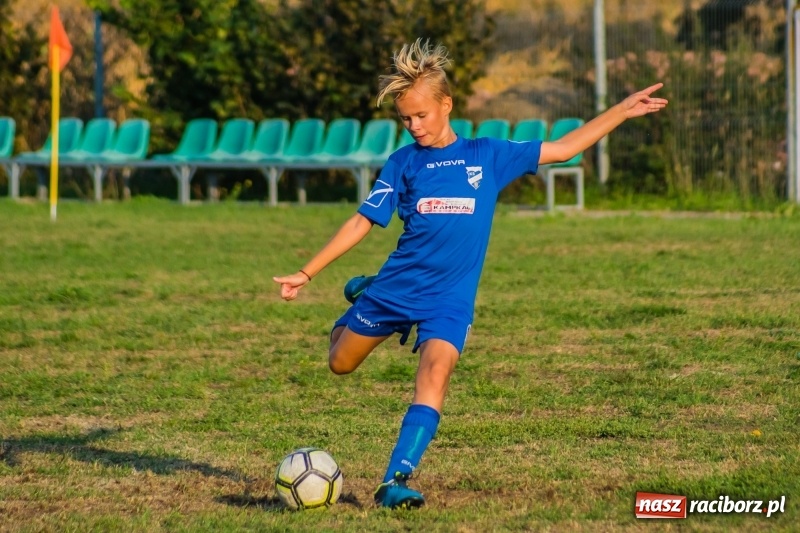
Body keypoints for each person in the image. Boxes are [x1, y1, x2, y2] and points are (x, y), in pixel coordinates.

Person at [273, 38, 668, 509]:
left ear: (447, 105)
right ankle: (366, 292)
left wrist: (621, 110)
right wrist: (306, 272)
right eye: (405, 119)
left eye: (421, 115)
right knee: (339, 362)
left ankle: (393, 481)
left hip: (449, 299)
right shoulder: (403, 163)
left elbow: (563, 149)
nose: (414, 126)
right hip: (397, 289)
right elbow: (362, 220)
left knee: (435, 373)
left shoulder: (488, 155)